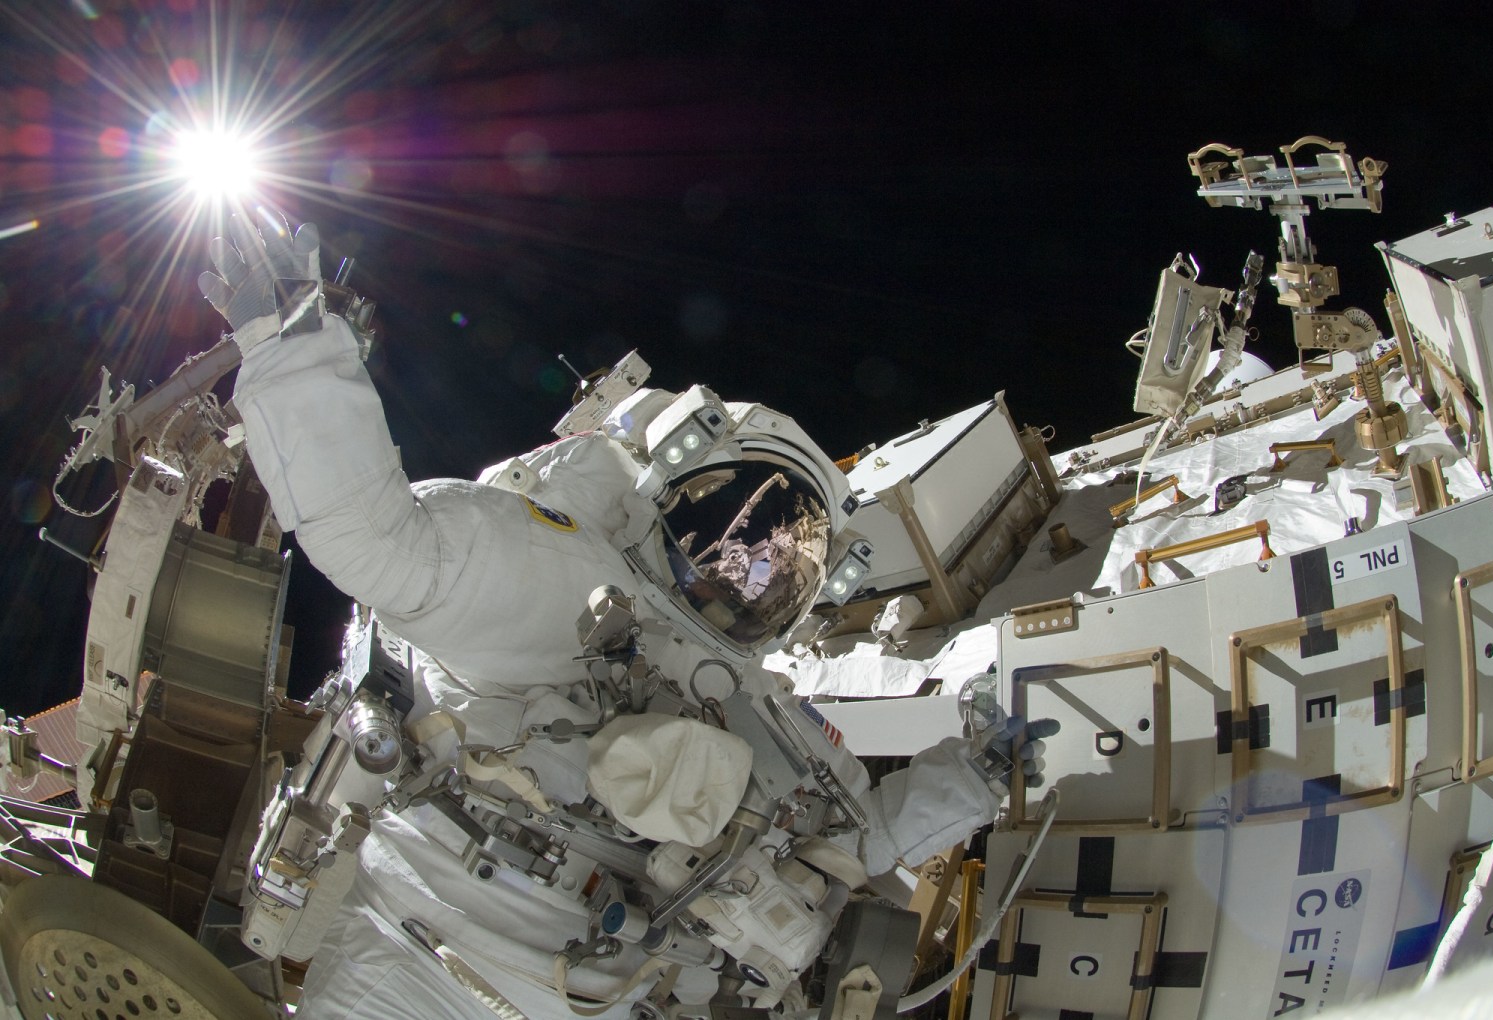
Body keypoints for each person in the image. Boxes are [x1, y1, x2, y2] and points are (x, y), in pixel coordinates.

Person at [200, 212, 1050, 1018]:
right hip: (420, 953)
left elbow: (857, 839)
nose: (744, 573)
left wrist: (972, 773)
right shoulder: (559, 582)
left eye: (784, 563)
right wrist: (295, 343)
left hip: (588, 993)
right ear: (663, 494)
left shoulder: (766, 716)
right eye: (731, 529)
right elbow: (373, 537)